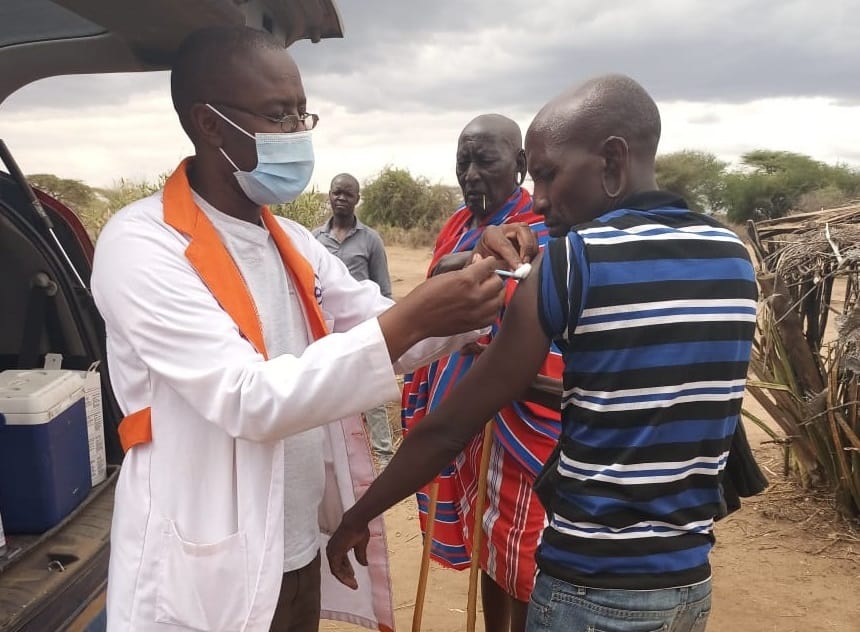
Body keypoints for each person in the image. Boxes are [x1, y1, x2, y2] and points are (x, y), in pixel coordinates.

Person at [90, 25, 532, 632]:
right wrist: (418, 312)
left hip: (294, 550)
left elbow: (386, 330)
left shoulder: (293, 243)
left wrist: (479, 279)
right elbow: (249, 398)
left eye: (303, 114)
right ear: (210, 124)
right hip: (205, 566)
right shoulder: (142, 245)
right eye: (278, 115)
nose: (298, 133)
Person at [327, 74, 758, 632]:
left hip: (587, 586)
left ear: (612, 161)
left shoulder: (572, 263)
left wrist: (357, 517)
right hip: (687, 586)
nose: (544, 198)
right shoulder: (733, 257)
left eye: (551, 175)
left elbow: (450, 427)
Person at [400, 113, 562, 632]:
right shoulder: (456, 227)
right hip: (467, 420)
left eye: (484, 160)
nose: (470, 174)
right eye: (462, 162)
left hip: (517, 423)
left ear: (519, 165)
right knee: (490, 544)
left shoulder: (540, 231)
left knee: (525, 555)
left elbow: (545, 330)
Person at [314, 173, 395, 469]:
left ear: (357, 199)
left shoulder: (370, 240)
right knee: (329, 396)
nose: (341, 199)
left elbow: (384, 290)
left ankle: (384, 459)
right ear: (329, 195)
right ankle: (334, 461)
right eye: (337, 193)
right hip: (326, 335)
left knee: (372, 395)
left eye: (348, 194)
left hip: (362, 332)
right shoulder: (315, 240)